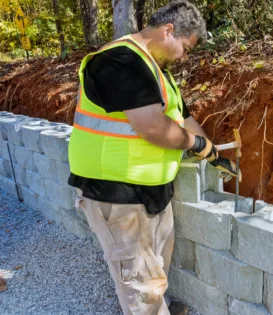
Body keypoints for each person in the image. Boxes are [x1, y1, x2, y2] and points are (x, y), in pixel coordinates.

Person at [67, 1, 239, 314]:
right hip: (116, 193)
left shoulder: (155, 70)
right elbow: (153, 127)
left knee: (155, 266)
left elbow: (181, 117)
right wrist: (197, 144)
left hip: (151, 190)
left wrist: (212, 152)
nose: (185, 58)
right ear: (168, 30)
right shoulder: (118, 61)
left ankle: (156, 309)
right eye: (185, 48)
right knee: (138, 283)